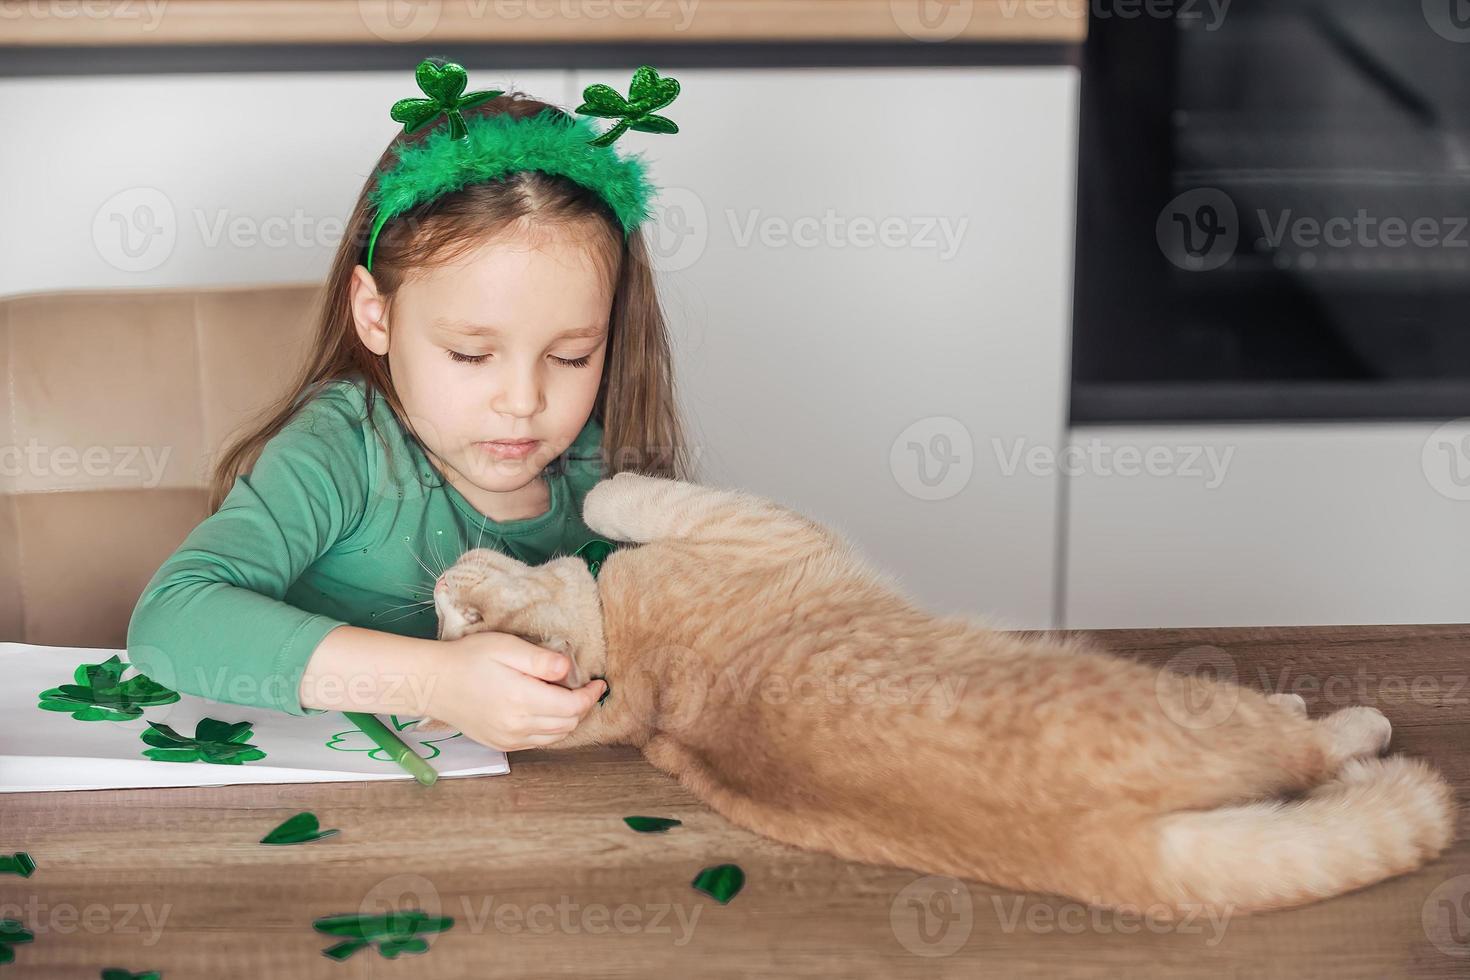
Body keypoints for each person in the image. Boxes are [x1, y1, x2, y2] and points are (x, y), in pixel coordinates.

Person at [126, 60, 689, 752]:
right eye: (470, 355)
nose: (523, 402)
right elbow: (172, 619)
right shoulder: (341, 448)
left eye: (572, 356)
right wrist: (436, 680)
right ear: (375, 314)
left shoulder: (602, 469)